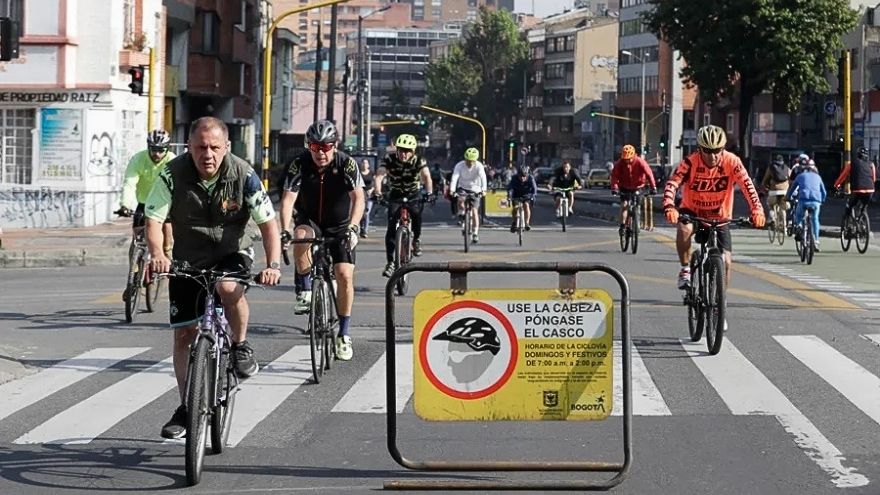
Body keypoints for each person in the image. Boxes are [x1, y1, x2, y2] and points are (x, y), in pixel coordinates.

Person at [145, 117, 282, 439]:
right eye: (201, 147)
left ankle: (240, 346)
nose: (208, 154)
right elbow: (153, 220)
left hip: (232, 252)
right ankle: (186, 407)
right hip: (187, 257)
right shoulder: (171, 174)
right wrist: (158, 255)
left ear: (226, 148)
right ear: (189, 148)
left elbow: (268, 224)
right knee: (183, 336)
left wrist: (273, 263)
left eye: (214, 147)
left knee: (227, 286)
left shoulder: (243, 174)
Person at [279, 119, 364, 361]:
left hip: (339, 226)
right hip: (310, 220)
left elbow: (358, 198)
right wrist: (284, 228)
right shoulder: (299, 164)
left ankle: (344, 334)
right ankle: (305, 289)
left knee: (345, 275)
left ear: (335, 146)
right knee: (300, 235)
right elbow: (287, 200)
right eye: (315, 147)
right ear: (308, 146)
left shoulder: (346, 163)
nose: (320, 153)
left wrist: (354, 227)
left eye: (326, 147)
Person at [662, 125, 765, 320]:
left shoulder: (732, 162)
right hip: (692, 210)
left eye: (717, 151)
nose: (712, 156)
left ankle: (720, 303)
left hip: (719, 215)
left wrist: (757, 210)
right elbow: (672, 184)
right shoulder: (689, 163)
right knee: (684, 230)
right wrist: (669, 206)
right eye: (707, 151)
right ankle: (685, 269)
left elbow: (748, 187)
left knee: (725, 261)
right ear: (699, 149)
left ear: (723, 148)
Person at [374, 134, 433, 277]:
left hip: (413, 194)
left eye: (407, 151)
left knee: (417, 215)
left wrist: (429, 192)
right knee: (391, 227)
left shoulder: (419, 160)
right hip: (395, 195)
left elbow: (426, 177)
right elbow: (379, 176)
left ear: (413, 151)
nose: (403, 154)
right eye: (401, 150)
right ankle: (390, 263)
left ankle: (416, 240)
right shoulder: (389, 159)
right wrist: (378, 193)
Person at [117, 129, 176, 256]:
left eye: (161, 150)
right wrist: (125, 205)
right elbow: (129, 183)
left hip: (163, 205)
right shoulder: (138, 159)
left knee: (167, 236)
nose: (157, 154)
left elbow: (178, 185)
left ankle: (166, 265)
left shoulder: (173, 161)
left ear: (168, 148)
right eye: (153, 149)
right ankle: (135, 271)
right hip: (144, 202)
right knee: (136, 239)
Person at [611, 144, 657, 235]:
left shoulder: (640, 162)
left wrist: (653, 187)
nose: (627, 161)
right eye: (625, 159)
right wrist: (614, 188)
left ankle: (636, 221)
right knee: (624, 205)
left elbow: (649, 174)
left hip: (638, 186)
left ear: (633, 155)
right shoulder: (620, 163)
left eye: (629, 159)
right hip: (624, 186)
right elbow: (614, 177)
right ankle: (623, 226)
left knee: (637, 205)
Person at [450, 147, 488, 244]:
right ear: (465, 159)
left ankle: (475, 232)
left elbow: (483, 178)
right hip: (462, 187)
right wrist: (452, 190)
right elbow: (455, 177)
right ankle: (462, 214)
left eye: (472, 161)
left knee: (475, 211)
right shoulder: (459, 165)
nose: (469, 163)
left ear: (475, 160)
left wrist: (484, 190)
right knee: (460, 200)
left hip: (475, 188)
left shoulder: (479, 166)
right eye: (468, 161)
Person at [787, 162, 826, 252]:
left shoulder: (800, 176)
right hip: (816, 201)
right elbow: (824, 192)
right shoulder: (818, 177)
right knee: (815, 219)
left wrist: (788, 197)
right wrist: (822, 200)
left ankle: (799, 226)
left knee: (799, 215)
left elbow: (792, 189)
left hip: (803, 200)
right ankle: (816, 240)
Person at [834, 146, 876, 220]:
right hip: (870, 190)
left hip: (857, 189)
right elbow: (874, 178)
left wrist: (837, 184)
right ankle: (862, 220)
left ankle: (847, 221)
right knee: (864, 206)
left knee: (850, 205)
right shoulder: (871, 164)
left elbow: (843, 176)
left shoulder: (852, 164)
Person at [760, 154, 791, 227]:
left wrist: (764, 187)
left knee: (770, 205)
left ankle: (772, 219)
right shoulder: (787, 168)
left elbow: (765, 179)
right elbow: (791, 179)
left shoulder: (771, 168)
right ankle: (784, 228)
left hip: (774, 191)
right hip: (784, 191)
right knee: (783, 208)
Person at [507, 166, 537, 232]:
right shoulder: (514, 178)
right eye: (521, 176)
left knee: (526, 205)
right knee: (515, 208)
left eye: (524, 176)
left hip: (527, 195)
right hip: (516, 195)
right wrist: (509, 196)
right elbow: (510, 187)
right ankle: (514, 222)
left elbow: (534, 189)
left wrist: (533, 196)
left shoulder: (531, 178)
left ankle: (527, 223)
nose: (522, 178)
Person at [359, 158, 374, 238]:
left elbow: (374, 183)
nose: (364, 164)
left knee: (367, 213)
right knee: (362, 213)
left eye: (366, 163)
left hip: (369, 195)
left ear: (368, 165)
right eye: (363, 163)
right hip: (361, 194)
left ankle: (365, 229)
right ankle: (361, 228)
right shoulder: (359, 173)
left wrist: (372, 190)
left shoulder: (371, 173)